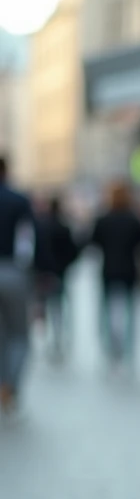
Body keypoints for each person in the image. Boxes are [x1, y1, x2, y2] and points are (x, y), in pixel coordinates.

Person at [89, 182, 140, 370]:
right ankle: (128, 350)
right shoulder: (133, 219)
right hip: (129, 270)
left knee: (106, 311)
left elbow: (94, 242)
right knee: (130, 312)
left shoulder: (103, 219)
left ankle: (110, 348)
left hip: (109, 270)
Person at [0, 154, 34, 416]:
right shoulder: (19, 201)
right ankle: (9, 385)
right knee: (19, 333)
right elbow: (29, 241)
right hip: (12, 270)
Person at [31, 194, 80, 361]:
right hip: (58, 273)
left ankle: (44, 339)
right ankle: (57, 338)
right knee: (57, 308)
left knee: (41, 306)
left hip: (43, 273)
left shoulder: (40, 226)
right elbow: (73, 251)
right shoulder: (63, 227)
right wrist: (64, 265)